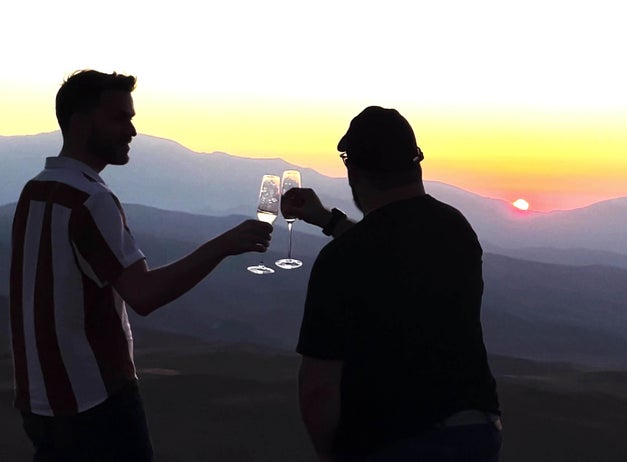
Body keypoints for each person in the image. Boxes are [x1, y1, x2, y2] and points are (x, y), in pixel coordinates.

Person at [9, 70, 273, 461]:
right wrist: (224, 245)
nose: (132, 131)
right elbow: (144, 295)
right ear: (82, 122)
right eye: (120, 118)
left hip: (39, 402)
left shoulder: (35, 191)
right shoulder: (90, 200)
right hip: (95, 401)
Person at [282, 106, 502, 461]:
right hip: (475, 431)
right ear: (417, 162)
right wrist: (327, 220)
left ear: (353, 170)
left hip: (390, 439)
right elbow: (392, 249)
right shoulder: (456, 229)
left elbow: (318, 389)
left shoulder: (342, 261)